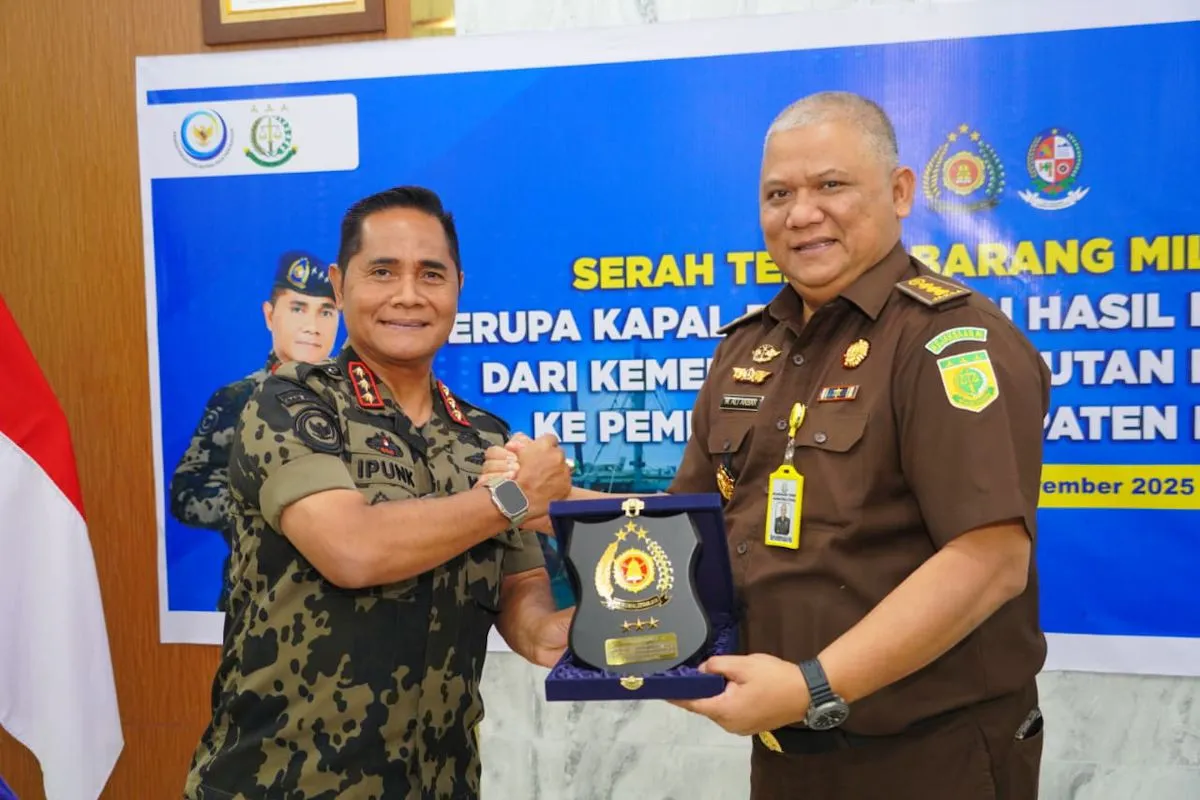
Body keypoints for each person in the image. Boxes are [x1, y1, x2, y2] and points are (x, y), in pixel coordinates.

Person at [487, 91, 1049, 800]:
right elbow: (694, 528)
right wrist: (559, 505)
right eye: (778, 194)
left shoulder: (947, 341)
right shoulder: (750, 349)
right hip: (788, 748)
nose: (801, 213)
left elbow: (990, 560)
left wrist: (813, 685)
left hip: (930, 755)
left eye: (831, 185)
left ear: (901, 191)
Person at [183, 186, 574, 800]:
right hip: (285, 784)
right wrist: (512, 498)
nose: (408, 295)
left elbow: (520, 589)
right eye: (383, 271)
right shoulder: (288, 404)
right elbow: (352, 549)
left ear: (458, 287)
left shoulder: (487, 437)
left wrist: (557, 632)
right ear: (340, 287)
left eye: (431, 274)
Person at [169, 250, 340, 611]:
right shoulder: (238, 399)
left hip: (350, 607)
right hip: (259, 606)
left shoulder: (358, 404)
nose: (313, 325)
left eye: (326, 311)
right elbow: (187, 492)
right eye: (298, 308)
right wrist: (264, 508)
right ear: (269, 315)